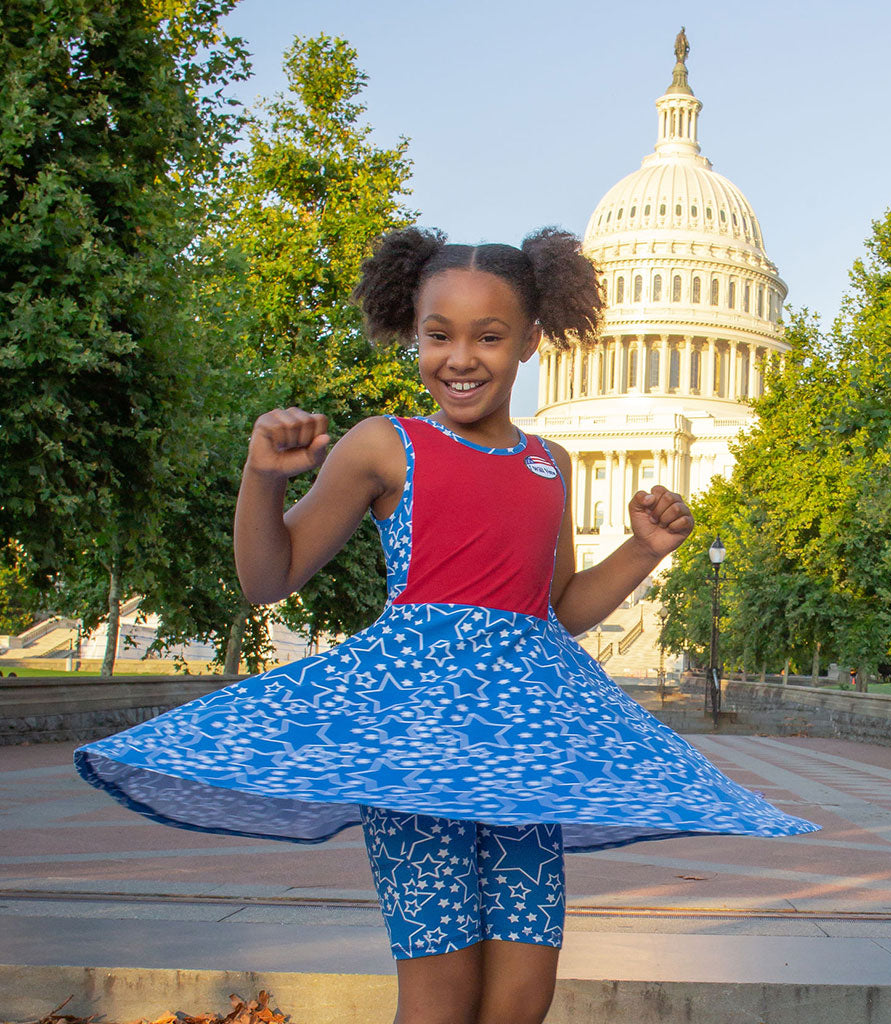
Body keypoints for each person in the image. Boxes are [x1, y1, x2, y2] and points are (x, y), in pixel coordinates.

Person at [76, 226, 818, 1024]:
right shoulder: (386, 445)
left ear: (532, 341)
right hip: (415, 751)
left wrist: (642, 551)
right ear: (412, 332)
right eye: (439, 335)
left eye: (488, 337)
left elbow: (554, 610)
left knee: (521, 997)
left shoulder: (550, 463)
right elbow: (269, 577)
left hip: (527, 753)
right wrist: (261, 478)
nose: (460, 357)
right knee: (439, 998)